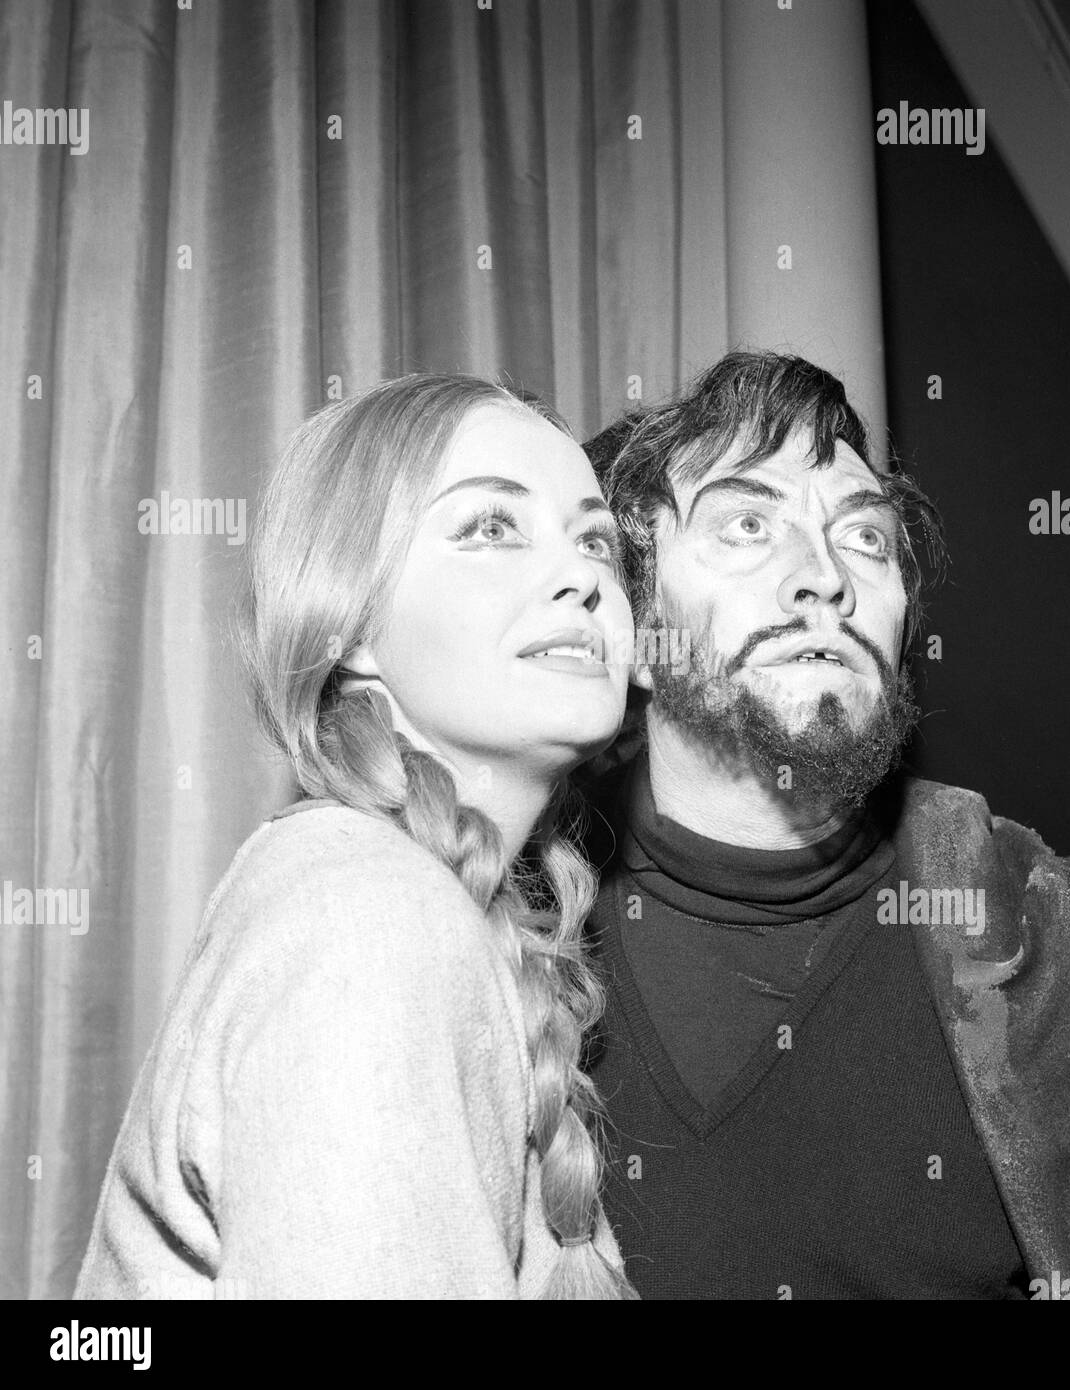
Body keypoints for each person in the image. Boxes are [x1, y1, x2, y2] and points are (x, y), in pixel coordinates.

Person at [578, 349, 1070, 1301]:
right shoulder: (515, 944)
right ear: (631, 622)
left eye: (865, 539)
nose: (825, 577)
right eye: (747, 523)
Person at [75, 373, 638, 1299]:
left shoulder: (410, 900)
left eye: (594, 540)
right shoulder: (372, 919)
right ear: (352, 623)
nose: (582, 575)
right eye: (491, 527)